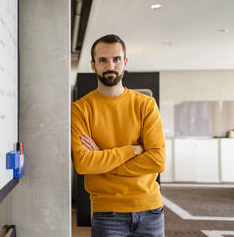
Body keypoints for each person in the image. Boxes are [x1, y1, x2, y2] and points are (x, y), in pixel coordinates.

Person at [71, 34, 166, 237]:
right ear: (93, 65)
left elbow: (157, 160)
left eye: (116, 59)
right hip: (108, 212)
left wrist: (103, 159)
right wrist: (132, 150)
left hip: (150, 209)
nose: (110, 65)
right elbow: (83, 164)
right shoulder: (80, 110)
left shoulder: (145, 105)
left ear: (125, 62)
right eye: (103, 60)